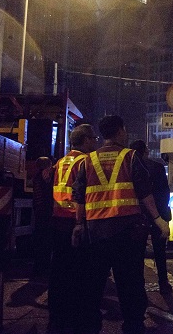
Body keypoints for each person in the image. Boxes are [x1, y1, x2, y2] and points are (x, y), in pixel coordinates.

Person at [73, 115, 170, 334]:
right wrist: (158, 220)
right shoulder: (130, 157)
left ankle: (91, 328)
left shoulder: (87, 161)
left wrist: (78, 225)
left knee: (94, 286)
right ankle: (133, 327)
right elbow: (145, 194)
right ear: (119, 131)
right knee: (130, 286)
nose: (126, 134)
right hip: (127, 234)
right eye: (124, 130)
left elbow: (79, 196)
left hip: (96, 234)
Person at [48, 124, 99, 334]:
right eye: (93, 138)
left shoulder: (61, 161)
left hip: (58, 220)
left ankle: (57, 316)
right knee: (78, 272)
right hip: (75, 221)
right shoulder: (85, 161)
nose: (95, 142)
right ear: (86, 140)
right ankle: (75, 318)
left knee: (59, 270)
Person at [129, 140, 172, 295]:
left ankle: (138, 285)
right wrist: (161, 215)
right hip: (157, 215)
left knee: (137, 253)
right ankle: (163, 283)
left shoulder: (128, 166)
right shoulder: (157, 167)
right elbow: (164, 193)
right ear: (145, 151)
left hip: (136, 217)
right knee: (160, 251)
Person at [32, 156, 53, 276]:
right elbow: (47, 193)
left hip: (39, 211)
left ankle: (38, 266)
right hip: (45, 212)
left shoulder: (36, 176)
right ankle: (42, 267)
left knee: (40, 238)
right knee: (45, 240)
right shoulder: (44, 176)